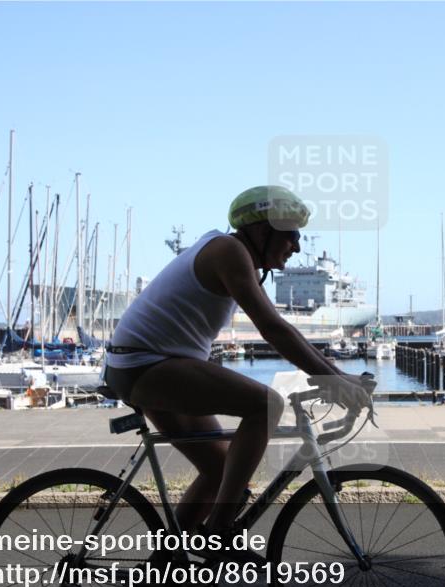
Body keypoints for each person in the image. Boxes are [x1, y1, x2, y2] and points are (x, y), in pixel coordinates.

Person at [103, 185, 370, 540]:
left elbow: (281, 327)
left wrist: (337, 376)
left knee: (219, 470)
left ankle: (166, 573)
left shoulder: (234, 254)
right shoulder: (228, 251)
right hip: (148, 365)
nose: (298, 245)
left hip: (142, 366)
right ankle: (220, 527)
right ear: (261, 231)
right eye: (291, 234)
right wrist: (335, 380)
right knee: (266, 404)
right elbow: (274, 329)